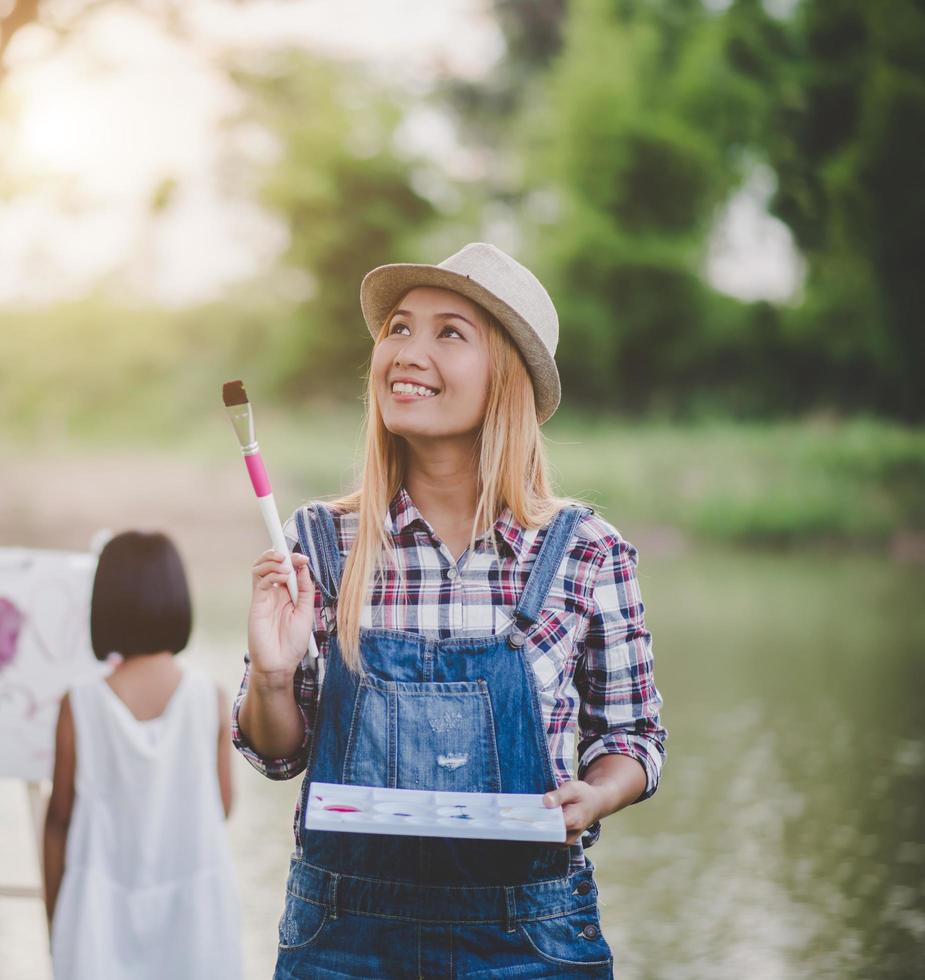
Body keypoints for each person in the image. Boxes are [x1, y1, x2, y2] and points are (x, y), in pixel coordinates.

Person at [235, 243, 667, 977]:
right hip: (341, 939)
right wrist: (273, 680)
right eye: (398, 329)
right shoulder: (316, 541)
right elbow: (277, 755)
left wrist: (592, 797)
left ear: (506, 378)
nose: (406, 352)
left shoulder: (586, 550)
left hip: (529, 940)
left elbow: (631, 737)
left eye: (448, 333)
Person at [44, 531, 242, 979]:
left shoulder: (80, 702)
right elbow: (222, 807)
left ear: (104, 604)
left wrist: (57, 922)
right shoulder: (207, 697)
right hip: (196, 919)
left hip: (97, 919)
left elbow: (59, 819)